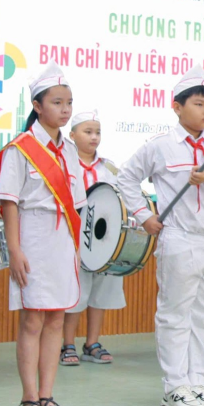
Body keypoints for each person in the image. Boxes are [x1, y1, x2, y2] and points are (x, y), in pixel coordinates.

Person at [119, 66, 204, 406]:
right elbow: (126, 178)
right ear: (177, 107)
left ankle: (198, 383)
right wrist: (143, 215)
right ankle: (175, 386)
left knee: (202, 315)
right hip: (180, 238)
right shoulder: (160, 146)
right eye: (198, 104)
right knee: (175, 314)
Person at [0, 62, 84, 406]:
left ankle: (48, 395)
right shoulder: (20, 149)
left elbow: (76, 202)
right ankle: (28, 398)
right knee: (33, 318)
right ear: (37, 105)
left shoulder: (71, 150)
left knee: (57, 317)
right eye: (57, 102)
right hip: (31, 235)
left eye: (69, 102)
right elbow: (9, 203)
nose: (65, 109)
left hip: (62, 239)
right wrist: (14, 249)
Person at [61, 110, 125, 366]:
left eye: (97, 132)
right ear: (72, 134)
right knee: (76, 293)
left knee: (101, 293)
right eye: (88, 132)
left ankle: (92, 343)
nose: (94, 137)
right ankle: (67, 343)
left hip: (104, 242)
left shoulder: (109, 167)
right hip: (74, 240)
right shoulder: (65, 165)